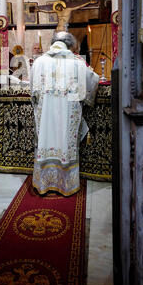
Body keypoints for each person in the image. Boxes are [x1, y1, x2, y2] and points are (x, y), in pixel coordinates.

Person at [30, 31, 99, 196]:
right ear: (70, 45)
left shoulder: (39, 62)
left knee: (46, 140)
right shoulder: (77, 63)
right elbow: (92, 81)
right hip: (67, 113)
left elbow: (32, 91)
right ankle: (66, 184)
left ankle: (44, 183)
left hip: (45, 115)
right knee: (66, 144)